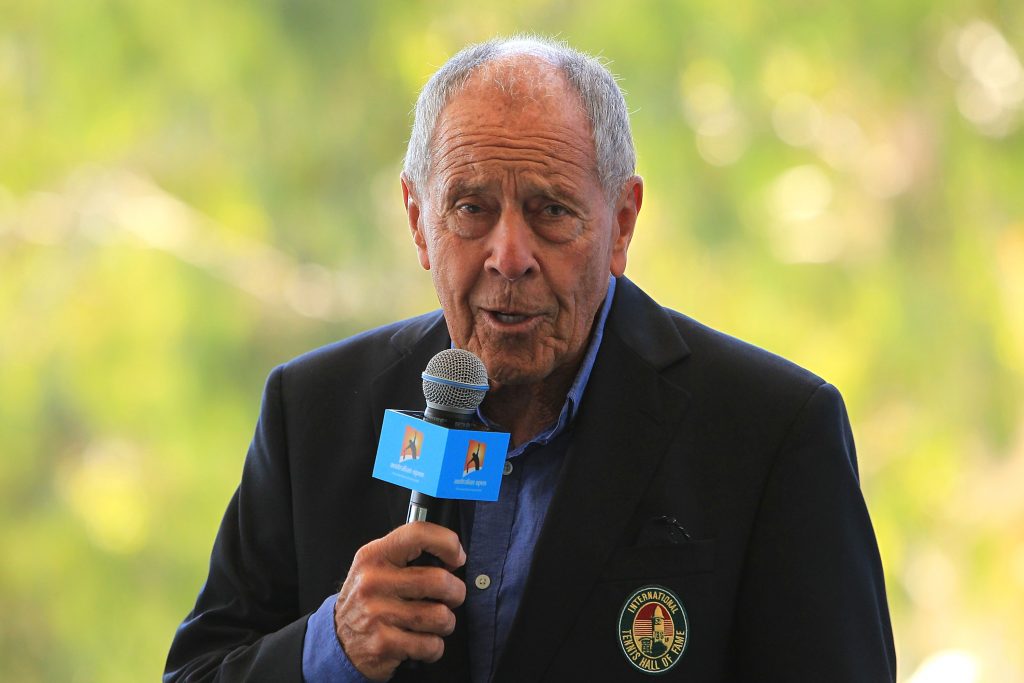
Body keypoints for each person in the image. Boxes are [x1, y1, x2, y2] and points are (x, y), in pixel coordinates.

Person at [165, 36, 896, 682]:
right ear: (418, 221)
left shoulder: (771, 431)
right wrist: (333, 645)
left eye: (551, 211)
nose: (509, 256)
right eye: (471, 209)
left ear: (621, 223)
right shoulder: (312, 411)